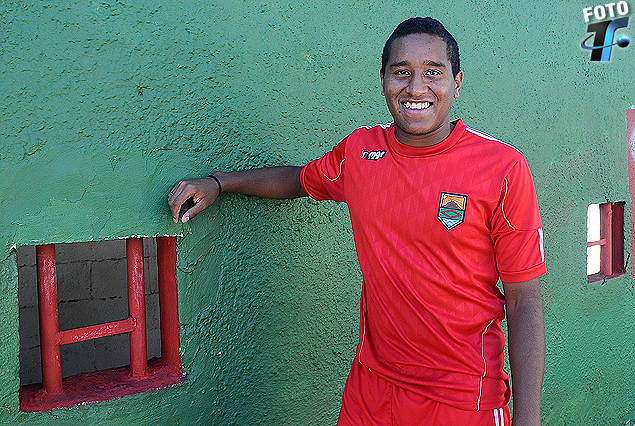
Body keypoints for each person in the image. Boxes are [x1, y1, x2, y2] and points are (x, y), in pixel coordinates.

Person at [168, 17, 546, 426]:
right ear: (383, 81)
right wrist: (221, 183)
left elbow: (524, 302)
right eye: (402, 72)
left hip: (460, 400)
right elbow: (301, 179)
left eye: (433, 73)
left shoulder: (502, 167)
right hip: (371, 391)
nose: (416, 88)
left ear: (457, 83)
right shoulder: (362, 152)